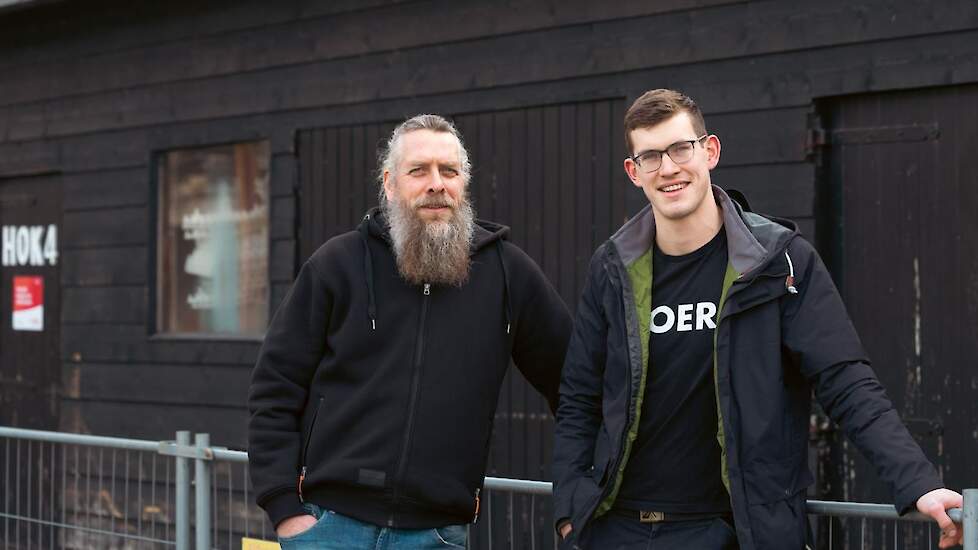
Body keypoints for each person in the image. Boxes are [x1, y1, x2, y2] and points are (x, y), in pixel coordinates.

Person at [551, 89, 964, 550]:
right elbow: (579, 398)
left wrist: (918, 483)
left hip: (733, 531)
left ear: (710, 151)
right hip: (618, 530)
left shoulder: (780, 263)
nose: (668, 168)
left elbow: (846, 381)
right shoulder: (611, 269)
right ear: (634, 172)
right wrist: (571, 510)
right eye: (650, 156)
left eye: (680, 149)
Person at [248, 114, 571, 549]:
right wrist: (284, 509)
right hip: (327, 526)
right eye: (419, 170)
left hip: (435, 534)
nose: (436, 183)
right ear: (390, 182)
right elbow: (275, 388)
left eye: (449, 171)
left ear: (463, 183)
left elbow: (576, 388)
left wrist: (578, 500)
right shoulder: (336, 265)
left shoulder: (509, 275)